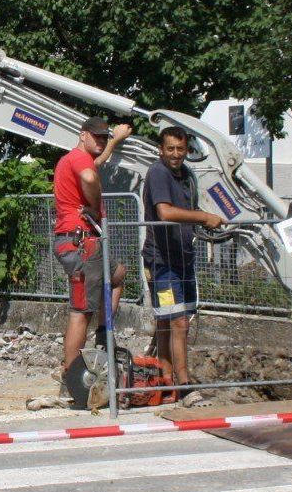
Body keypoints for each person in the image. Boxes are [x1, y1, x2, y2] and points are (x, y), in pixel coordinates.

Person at [50, 115, 133, 402]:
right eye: (95, 136)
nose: (99, 140)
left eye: (103, 136)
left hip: (82, 243)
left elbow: (93, 166)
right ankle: (70, 379)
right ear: (82, 134)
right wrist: (94, 208)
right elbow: (89, 175)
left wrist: (115, 141)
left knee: (119, 274)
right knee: (80, 311)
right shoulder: (80, 161)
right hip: (81, 243)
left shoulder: (73, 159)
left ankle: (103, 332)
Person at [142, 127, 223, 402]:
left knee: (173, 319)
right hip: (162, 260)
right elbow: (165, 211)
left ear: (187, 150)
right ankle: (182, 384)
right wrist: (203, 217)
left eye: (180, 149)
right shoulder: (158, 173)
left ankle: (167, 380)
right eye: (170, 149)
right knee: (175, 320)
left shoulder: (187, 176)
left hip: (184, 257)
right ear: (161, 149)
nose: (176, 154)